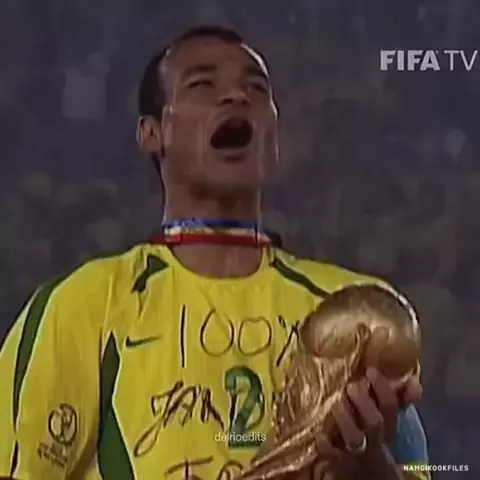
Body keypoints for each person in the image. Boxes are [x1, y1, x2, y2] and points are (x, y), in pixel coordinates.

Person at [0, 26, 429, 480]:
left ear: (274, 138)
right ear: (152, 133)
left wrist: (372, 469)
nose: (236, 96)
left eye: (256, 88)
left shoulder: (356, 315)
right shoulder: (83, 307)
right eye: (202, 85)